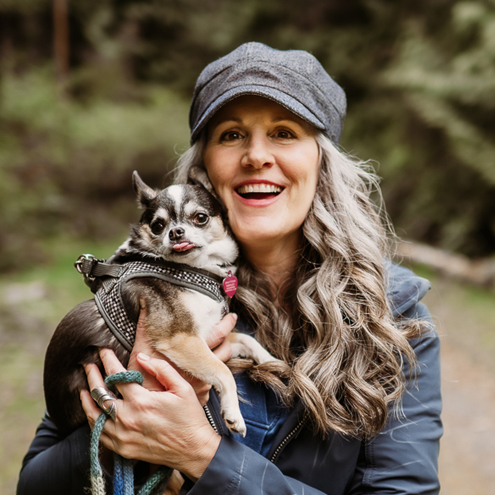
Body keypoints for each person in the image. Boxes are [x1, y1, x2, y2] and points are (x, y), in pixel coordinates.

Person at [17, 42, 442, 495]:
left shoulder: (391, 316)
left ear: (323, 164)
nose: (256, 156)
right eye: (231, 135)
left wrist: (203, 455)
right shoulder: (148, 295)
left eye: (284, 133)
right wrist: (119, 430)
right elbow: (34, 485)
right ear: (202, 174)